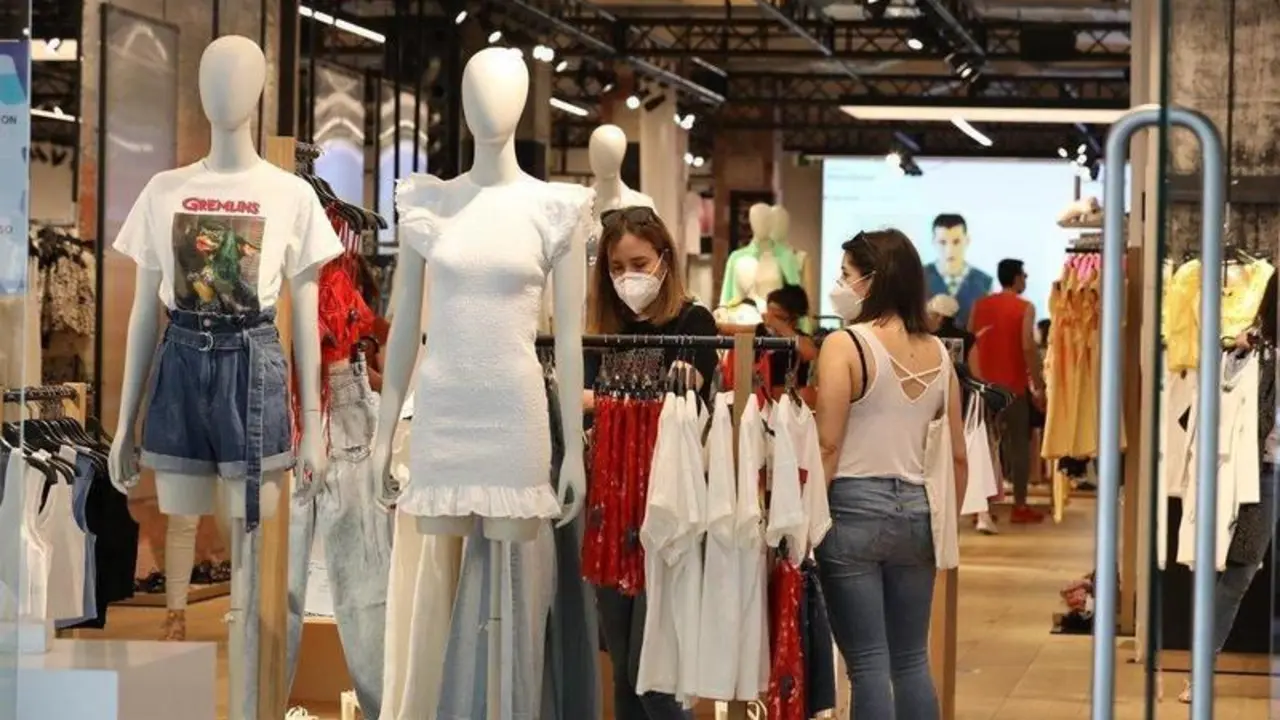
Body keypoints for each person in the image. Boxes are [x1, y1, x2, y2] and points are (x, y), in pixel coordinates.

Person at [814, 229, 966, 720]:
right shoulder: (941, 354)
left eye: (845, 275)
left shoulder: (846, 344)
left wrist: (806, 517)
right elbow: (958, 454)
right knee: (910, 658)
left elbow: (828, 443)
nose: (839, 285)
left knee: (868, 664)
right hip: (919, 509)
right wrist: (947, 521)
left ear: (871, 281)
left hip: (852, 507)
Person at [585, 205, 716, 720]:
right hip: (609, 506)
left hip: (664, 501)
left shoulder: (693, 320)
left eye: (638, 264)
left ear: (663, 259)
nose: (627, 278)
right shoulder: (605, 327)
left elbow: (690, 401)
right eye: (617, 269)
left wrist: (600, 400)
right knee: (621, 667)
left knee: (653, 672)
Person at [1182, 271, 1278, 704]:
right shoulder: (1254, 347)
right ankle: (1201, 667)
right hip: (1263, 469)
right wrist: (1237, 352)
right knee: (1238, 572)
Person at [969, 259, 1046, 524]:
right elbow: (1027, 345)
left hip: (982, 387)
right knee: (1019, 448)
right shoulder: (1025, 308)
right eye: (1024, 275)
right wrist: (1038, 383)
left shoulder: (980, 306)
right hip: (1013, 386)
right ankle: (1020, 505)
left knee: (984, 447)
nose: (1025, 279)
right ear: (1016, 278)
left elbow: (971, 341)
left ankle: (982, 507)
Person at [720, 283, 819, 403]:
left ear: (793, 318)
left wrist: (778, 325)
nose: (769, 320)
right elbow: (732, 329)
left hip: (790, 404)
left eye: (778, 316)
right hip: (763, 402)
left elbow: (810, 353)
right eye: (768, 313)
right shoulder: (763, 332)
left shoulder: (801, 339)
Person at [923, 214, 993, 328]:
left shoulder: (985, 282)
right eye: (942, 242)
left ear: (967, 241)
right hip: (929, 345)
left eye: (956, 242)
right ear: (933, 242)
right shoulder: (919, 277)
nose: (949, 250)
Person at [927, 293, 975, 363]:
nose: (929, 318)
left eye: (932, 314)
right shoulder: (969, 338)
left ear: (940, 317)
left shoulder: (929, 339)